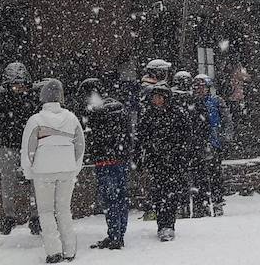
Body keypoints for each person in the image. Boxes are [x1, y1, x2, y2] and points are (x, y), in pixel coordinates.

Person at [21, 79, 86, 264]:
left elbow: (28, 149)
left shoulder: (35, 120)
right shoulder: (72, 118)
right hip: (67, 170)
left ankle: (54, 251)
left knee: (46, 211)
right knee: (64, 210)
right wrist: (75, 167)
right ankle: (69, 250)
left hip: (43, 171)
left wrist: (28, 171)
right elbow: (80, 145)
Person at [0, 61, 39, 236]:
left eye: (21, 84)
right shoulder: (0, 96)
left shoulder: (32, 95)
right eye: (15, 85)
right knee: (8, 181)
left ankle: (36, 216)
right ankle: (9, 216)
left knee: (35, 181)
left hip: (29, 144)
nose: (19, 88)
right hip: (9, 143)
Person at [80, 78, 133, 250]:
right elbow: (127, 135)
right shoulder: (118, 108)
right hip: (120, 159)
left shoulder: (98, 112)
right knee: (120, 197)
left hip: (105, 161)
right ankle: (118, 234)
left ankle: (115, 235)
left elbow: (95, 138)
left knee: (110, 200)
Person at [137, 83, 192, 242]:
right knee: (159, 193)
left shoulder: (178, 114)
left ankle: (169, 225)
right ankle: (162, 224)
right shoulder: (148, 115)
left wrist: (182, 155)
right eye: (155, 97)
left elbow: (186, 137)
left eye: (160, 97)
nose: (157, 100)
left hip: (174, 161)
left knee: (172, 194)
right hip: (156, 161)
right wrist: (141, 158)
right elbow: (141, 138)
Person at [189, 74, 233, 216]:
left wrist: (225, 138)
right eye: (197, 87)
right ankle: (201, 204)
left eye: (203, 87)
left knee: (215, 175)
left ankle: (217, 202)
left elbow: (227, 120)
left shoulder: (216, 101)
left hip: (214, 142)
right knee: (198, 176)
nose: (200, 90)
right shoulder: (191, 102)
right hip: (196, 143)